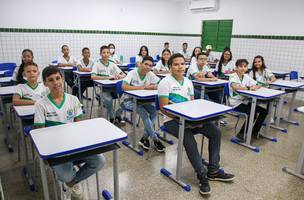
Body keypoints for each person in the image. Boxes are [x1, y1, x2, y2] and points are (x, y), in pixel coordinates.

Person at [158, 53, 235, 195]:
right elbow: (163, 109)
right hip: (171, 121)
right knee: (189, 140)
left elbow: (192, 104)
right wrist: (184, 120)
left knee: (216, 132)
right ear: (170, 67)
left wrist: (194, 120)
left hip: (190, 119)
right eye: (176, 64)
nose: (180, 66)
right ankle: (202, 175)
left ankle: (213, 170)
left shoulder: (188, 82)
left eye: (182, 63)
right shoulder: (165, 83)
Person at [34, 66, 105, 199]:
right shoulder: (41, 104)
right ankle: (70, 179)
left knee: (99, 161)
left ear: (62, 78)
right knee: (66, 175)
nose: (56, 82)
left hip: (75, 145)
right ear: (45, 83)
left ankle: (72, 182)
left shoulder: (73, 99)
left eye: (58, 78)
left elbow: (78, 126)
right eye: (51, 80)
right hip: (56, 150)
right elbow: (41, 134)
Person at [121, 56, 165, 152]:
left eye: (150, 65)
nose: (148, 67)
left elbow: (161, 83)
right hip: (128, 101)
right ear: (141, 64)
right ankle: (155, 139)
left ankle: (144, 138)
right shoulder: (132, 73)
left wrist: (152, 87)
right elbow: (123, 86)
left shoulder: (150, 74)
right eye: (146, 64)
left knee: (154, 111)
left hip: (142, 101)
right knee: (144, 113)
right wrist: (141, 87)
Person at [229, 59, 268, 141]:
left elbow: (258, 84)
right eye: (240, 66)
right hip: (235, 103)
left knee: (264, 111)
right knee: (252, 113)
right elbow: (235, 87)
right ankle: (241, 134)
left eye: (245, 66)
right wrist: (249, 88)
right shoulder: (233, 76)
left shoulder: (246, 77)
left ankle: (254, 131)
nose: (243, 68)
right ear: (236, 67)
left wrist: (256, 87)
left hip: (245, 102)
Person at [91, 45, 126, 125]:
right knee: (108, 99)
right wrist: (108, 77)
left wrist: (119, 76)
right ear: (100, 54)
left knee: (127, 98)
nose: (106, 54)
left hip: (114, 87)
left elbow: (123, 74)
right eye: (104, 52)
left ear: (110, 54)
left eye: (107, 52)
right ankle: (112, 116)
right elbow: (93, 76)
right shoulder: (97, 64)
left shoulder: (112, 64)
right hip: (103, 88)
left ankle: (117, 114)